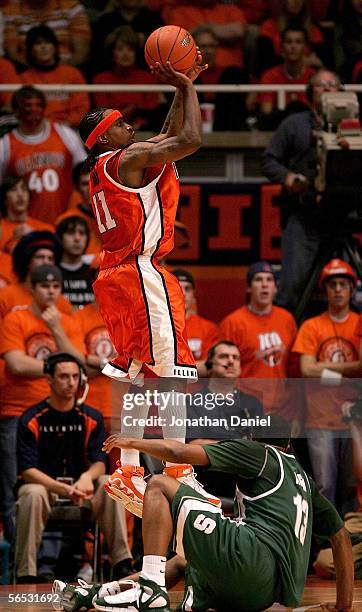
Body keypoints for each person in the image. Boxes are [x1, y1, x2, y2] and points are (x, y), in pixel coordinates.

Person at [78, 55, 218, 518]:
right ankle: (179, 475)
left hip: (114, 277)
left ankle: (129, 471)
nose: (130, 127)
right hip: (140, 273)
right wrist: (189, 87)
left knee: (136, 373)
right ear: (106, 137)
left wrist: (181, 89)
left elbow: (165, 134)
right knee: (173, 374)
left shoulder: (111, 167)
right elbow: (190, 139)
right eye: (121, 124)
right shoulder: (128, 157)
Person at [57, 427, 354, 612]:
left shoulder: (257, 453)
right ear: (288, 444)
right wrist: (344, 604)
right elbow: (340, 537)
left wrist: (132, 442)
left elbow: (178, 451)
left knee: (159, 484)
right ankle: (95, 593)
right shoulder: (302, 477)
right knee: (183, 561)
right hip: (266, 594)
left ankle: (150, 589)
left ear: (252, 438)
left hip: (250, 560)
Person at [15, 352, 132, 583]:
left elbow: (99, 461)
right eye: (63, 376)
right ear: (49, 379)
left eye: (75, 377)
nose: (70, 383)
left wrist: (88, 477)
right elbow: (27, 471)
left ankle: (122, 562)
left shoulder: (91, 417)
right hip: (45, 489)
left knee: (109, 481)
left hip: (82, 489)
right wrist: (62, 489)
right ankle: (26, 573)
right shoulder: (31, 418)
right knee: (32, 493)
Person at [0, 264, 84, 545]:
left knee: (57, 484)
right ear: (32, 289)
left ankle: (52, 559)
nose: (50, 291)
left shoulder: (67, 321)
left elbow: (79, 364)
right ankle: (18, 555)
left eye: (56, 286)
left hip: (57, 412)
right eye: (44, 286)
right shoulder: (16, 319)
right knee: (16, 484)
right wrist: (59, 367)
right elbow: (16, 363)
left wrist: (56, 329)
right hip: (17, 411)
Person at [262, 68, 343, 312]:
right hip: (304, 213)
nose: (328, 89)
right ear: (309, 93)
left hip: (344, 215)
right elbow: (268, 161)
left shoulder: (354, 125)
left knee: (344, 282)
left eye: (333, 84)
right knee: (292, 286)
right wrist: (289, 178)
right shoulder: (294, 124)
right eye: (321, 85)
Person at [291, 258, 361, 513]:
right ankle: (325, 546)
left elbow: (317, 368)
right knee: (324, 485)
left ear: (352, 289)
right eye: (333, 285)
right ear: (325, 289)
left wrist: (325, 370)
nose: (338, 289)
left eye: (344, 284)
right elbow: (306, 370)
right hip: (320, 419)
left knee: (353, 486)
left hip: (355, 418)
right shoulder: (312, 326)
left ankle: (352, 544)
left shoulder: (358, 323)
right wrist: (348, 376)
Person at [219, 261, 297, 417]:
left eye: (269, 280)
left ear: (275, 288)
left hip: (282, 409)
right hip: (245, 409)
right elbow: (222, 372)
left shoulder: (287, 319)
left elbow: (294, 369)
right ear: (249, 287)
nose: (264, 285)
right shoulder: (233, 323)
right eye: (258, 279)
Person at [0, 86, 86, 225]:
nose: (33, 111)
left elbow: (85, 174)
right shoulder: (5, 144)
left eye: (38, 106)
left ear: (44, 108)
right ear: (16, 111)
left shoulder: (65, 134)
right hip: (25, 225)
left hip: (66, 223)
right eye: (27, 106)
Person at [92, 26, 164, 132]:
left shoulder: (148, 78)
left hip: (142, 131)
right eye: (120, 49)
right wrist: (132, 109)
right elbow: (103, 117)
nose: (126, 54)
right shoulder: (100, 80)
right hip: (111, 132)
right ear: (112, 54)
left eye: (130, 49)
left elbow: (151, 113)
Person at [21, 25, 90, 129]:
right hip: (36, 128)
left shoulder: (73, 73)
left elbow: (82, 108)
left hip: (70, 128)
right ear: (31, 50)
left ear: (55, 47)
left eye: (47, 42)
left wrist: (65, 125)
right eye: (38, 43)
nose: (43, 47)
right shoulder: (23, 78)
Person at [0, 230, 71, 319]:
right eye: (40, 257)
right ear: (27, 262)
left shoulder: (61, 302)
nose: (46, 262)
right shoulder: (5, 297)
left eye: (50, 258)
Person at [3, 0, 92, 67]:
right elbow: (13, 54)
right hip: (28, 70)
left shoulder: (71, 6)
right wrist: (40, 72)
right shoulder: (11, 11)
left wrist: (60, 72)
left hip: (69, 70)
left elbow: (81, 53)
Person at [258, 25, 315, 126]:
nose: (293, 46)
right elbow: (266, 112)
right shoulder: (269, 76)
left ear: (306, 48)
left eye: (298, 42)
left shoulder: (314, 77)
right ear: (281, 46)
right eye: (289, 42)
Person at [172, 269, 219, 374]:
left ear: (193, 294)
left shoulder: (208, 328)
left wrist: (169, 370)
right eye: (177, 288)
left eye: (187, 289)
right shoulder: (153, 326)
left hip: (197, 390)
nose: (182, 293)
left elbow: (210, 366)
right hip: (160, 390)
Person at [0, 176, 53, 254]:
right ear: (4, 199)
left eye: (24, 189)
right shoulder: (1, 229)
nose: (20, 194)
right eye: (13, 190)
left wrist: (34, 235)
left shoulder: (46, 229)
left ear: (29, 198)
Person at [56, 215, 95, 309]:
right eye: (70, 233)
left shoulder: (95, 273)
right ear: (60, 237)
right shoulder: (52, 272)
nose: (77, 238)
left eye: (82, 233)